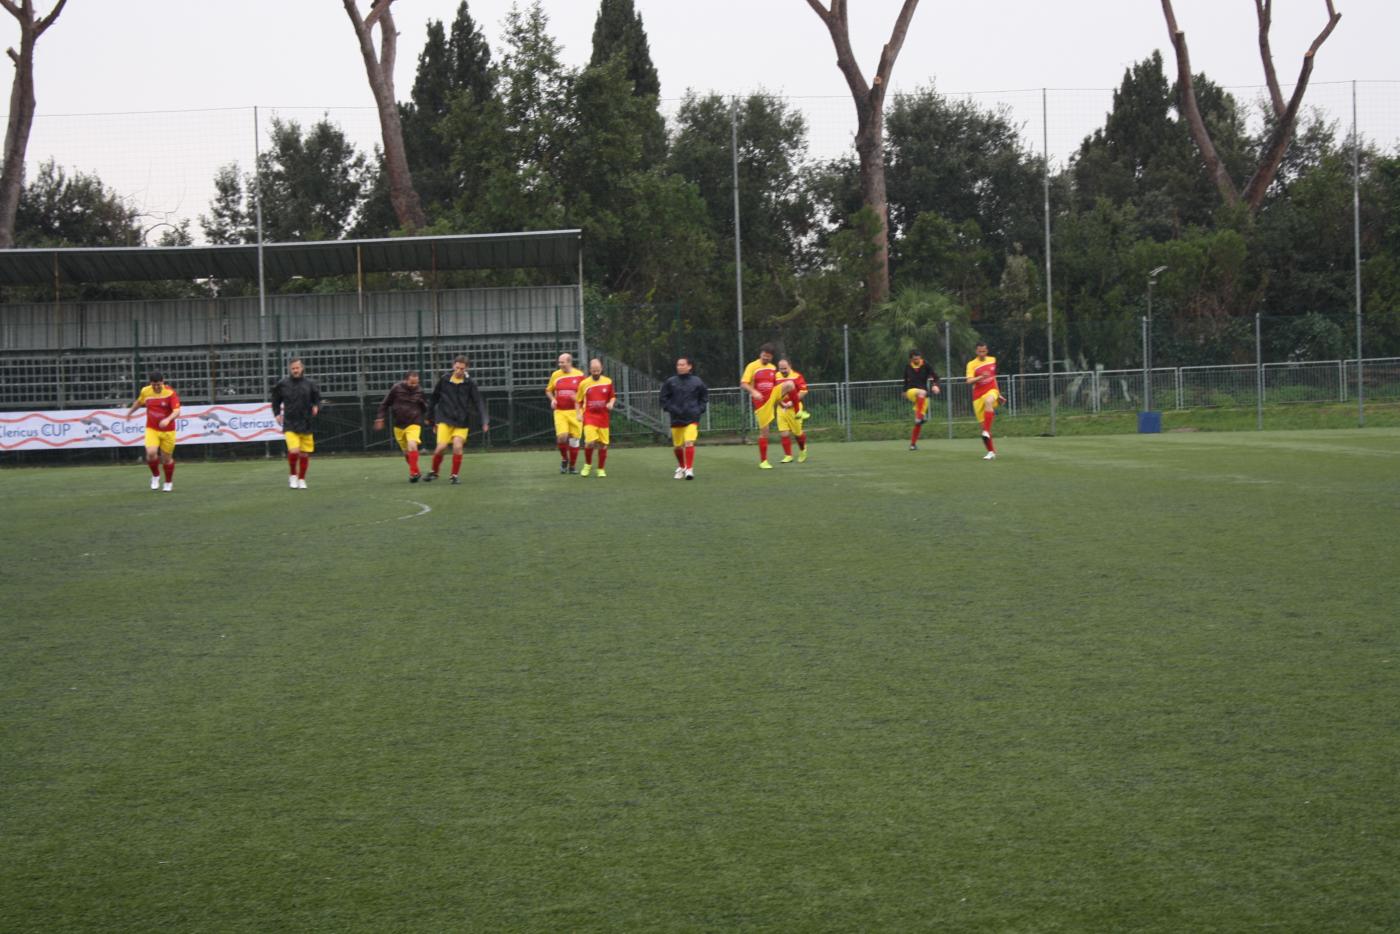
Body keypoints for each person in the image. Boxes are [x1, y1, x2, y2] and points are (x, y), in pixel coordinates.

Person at [426, 355, 489, 485]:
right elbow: (434, 399)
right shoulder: (444, 380)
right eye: (457, 367)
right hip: (444, 418)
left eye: (462, 368)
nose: (459, 371)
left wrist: (484, 420)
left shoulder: (470, 383)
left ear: (467, 369)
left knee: (457, 445)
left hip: (461, 421)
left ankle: (454, 475)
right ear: (453, 366)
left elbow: (478, 402)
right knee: (441, 447)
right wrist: (430, 417)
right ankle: (434, 472)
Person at [740, 343, 795, 469]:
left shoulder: (772, 368)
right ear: (760, 354)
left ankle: (797, 410)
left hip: (771, 398)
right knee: (765, 432)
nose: (765, 358)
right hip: (760, 402)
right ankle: (763, 461)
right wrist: (754, 392)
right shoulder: (752, 366)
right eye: (764, 356)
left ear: (771, 357)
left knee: (790, 384)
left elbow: (775, 387)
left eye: (768, 357)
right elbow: (744, 383)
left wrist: (782, 403)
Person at [270, 357, 321, 490]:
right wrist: (276, 413)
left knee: (304, 453)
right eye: (293, 368)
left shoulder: (310, 384)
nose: (295, 370)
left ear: (302, 368)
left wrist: (316, 406)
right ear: (290, 369)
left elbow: (317, 398)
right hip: (290, 423)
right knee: (294, 451)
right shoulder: (283, 384)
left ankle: (302, 479)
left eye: (297, 368)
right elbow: (275, 400)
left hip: (306, 422)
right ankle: (293, 475)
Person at [126, 370, 180, 492]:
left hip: (168, 431)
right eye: (154, 385)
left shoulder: (170, 393)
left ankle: (168, 482)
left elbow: (177, 411)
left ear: (163, 382)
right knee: (151, 453)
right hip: (152, 428)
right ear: (150, 383)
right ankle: (155, 476)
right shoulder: (146, 391)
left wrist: (168, 419)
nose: (156, 387)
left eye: (158, 384)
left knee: (166, 459)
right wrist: (130, 412)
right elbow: (139, 402)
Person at [374, 370, 430, 482]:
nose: (414, 386)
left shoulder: (420, 390)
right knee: (406, 453)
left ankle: (413, 473)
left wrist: (429, 417)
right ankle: (417, 471)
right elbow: (385, 404)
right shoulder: (396, 388)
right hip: (399, 425)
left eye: (416, 383)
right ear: (405, 380)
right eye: (411, 383)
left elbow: (425, 406)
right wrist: (380, 417)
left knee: (412, 444)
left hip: (414, 422)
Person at [658, 356, 708, 480]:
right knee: (678, 446)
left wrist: (700, 409)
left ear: (689, 366)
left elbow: (704, 396)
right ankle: (682, 466)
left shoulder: (697, 381)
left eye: (682, 365)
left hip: (692, 417)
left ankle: (689, 470)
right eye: (678, 365)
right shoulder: (671, 382)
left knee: (689, 442)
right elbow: (663, 398)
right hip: (676, 418)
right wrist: (670, 408)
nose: (680, 367)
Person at [575, 358, 616, 478]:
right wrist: (578, 413)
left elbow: (612, 397)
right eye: (593, 370)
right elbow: (578, 401)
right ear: (590, 370)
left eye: (598, 370)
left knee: (603, 444)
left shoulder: (608, 382)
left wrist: (611, 404)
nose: (596, 372)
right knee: (589, 442)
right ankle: (587, 465)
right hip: (590, 416)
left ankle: (601, 469)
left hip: (603, 417)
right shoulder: (584, 383)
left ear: (601, 369)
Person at [545, 352, 586, 474]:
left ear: (569, 362)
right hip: (560, 412)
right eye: (559, 362)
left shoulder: (579, 375)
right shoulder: (556, 375)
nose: (560, 364)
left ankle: (572, 466)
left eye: (562, 362)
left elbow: (585, 393)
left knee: (574, 439)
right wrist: (553, 399)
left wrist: (577, 399)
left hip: (576, 412)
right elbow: (548, 390)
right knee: (562, 437)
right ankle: (564, 459)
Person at [966, 341, 1002, 460]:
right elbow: (969, 381)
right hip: (977, 396)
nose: (982, 353)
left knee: (988, 401)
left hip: (991, 391)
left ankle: (986, 430)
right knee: (984, 428)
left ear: (987, 351)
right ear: (976, 351)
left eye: (984, 351)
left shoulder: (992, 360)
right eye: (980, 351)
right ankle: (991, 452)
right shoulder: (971, 364)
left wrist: (999, 394)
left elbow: (994, 378)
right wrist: (981, 377)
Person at [903, 349, 942, 451]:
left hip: (923, 396)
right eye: (914, 359)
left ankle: (913, 444)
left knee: (918, 423)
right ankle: (920, 416)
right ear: (911, 359)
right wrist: (904, 391)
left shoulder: (926, 365)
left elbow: (936, 377)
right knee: (922, 392)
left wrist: (935, 385)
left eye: (918, 358)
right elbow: (905, 380)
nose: (917, 360)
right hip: (911, 391)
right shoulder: (908, 366)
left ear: (920, 357)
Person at [774, 357, 810, 463]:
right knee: (783, 433)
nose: (783, 371)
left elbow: (803, 391)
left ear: (790, 366)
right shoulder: (775, 377)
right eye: (781, 369)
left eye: (785, 368)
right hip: (781, 408)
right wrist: (781, 403)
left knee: (797, 433)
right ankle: (788, 455)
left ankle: (803, 450)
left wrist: (791, 402)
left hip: (795, 408)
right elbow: (774, 393)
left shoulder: (797, 376)